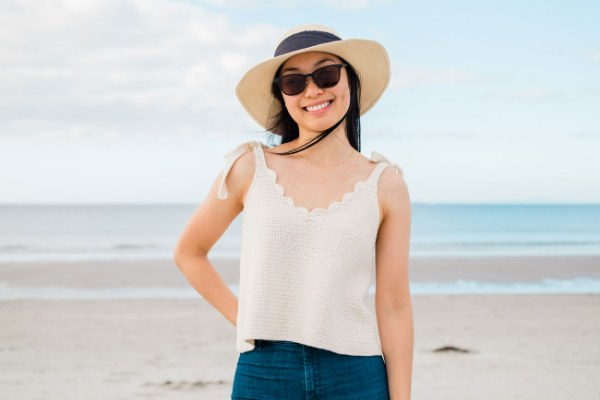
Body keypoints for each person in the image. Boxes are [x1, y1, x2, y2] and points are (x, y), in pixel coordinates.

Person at [174, 24, 413, 400]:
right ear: (282, 96)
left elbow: (395, 304)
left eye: (326, 74)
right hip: (265, 372)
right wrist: (247, 320)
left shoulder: (386, 185)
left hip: (357, 374)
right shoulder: (250, 167)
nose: (313, 90)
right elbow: (189, 253)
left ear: (350, 80)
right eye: (293, 82)